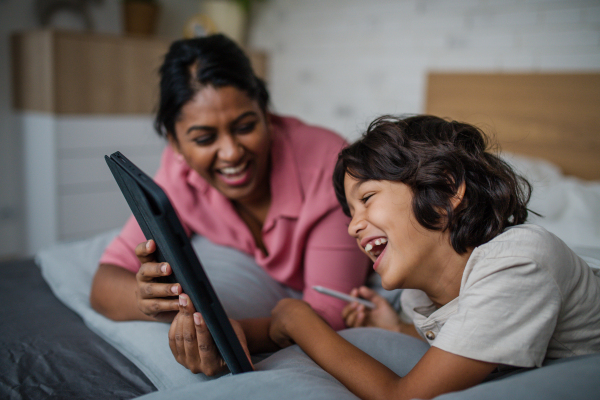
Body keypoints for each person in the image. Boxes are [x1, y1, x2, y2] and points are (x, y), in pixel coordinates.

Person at [89, 34, 370, 374]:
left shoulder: (328, 168)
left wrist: (224, 332)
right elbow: (104, 284)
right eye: (205, 138)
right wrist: (145, 299)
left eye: (246, 126)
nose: (231, 152)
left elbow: (328, 313)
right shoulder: (179, 174)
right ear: (175, 142)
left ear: (266, 114)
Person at [268, 115, 600, 400]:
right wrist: (395, 327)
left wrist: (300, 321)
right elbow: (470, 340)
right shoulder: (417, 297)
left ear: (445, 188)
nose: (353, 226)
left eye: (367, 198)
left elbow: (403, 396)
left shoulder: (519, 263)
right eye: (350, 213)